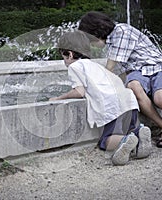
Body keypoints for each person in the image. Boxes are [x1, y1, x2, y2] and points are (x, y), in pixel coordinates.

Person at [78, 11, 162, 148]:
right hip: (138, 72)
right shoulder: (112, 42)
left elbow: (109, 69)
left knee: (161, 99)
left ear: (96, 32)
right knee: (133, 87)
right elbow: (120, 73)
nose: (92, 45)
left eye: (90, 40)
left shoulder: (121, 31)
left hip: (158, 67)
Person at [49, 30, 152, 165]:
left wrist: (58, 98)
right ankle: (139, 132)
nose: (64, 60)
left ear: (69, 54)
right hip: (128, 99)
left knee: (106, 140)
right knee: (130, 128)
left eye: (63, 55)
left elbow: (79, 92)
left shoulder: (74, 67)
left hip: (110, 104)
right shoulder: (95, 65)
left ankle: (124, 141)